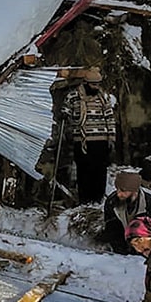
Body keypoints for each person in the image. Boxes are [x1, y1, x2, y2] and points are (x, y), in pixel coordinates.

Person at [61, 71, 116, 204]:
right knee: (84, 171)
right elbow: (66, 111)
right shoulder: (73, 97)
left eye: (97, 84)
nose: (95, 87)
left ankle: (98, 199)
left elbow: (110, 118)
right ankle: (85, 200)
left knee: (100, 171)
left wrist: (111, 138)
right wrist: (64, 115)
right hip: (82, 141)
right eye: (93, 84)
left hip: (100, 140)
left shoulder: (103, 97)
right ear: (85, 84)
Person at [102, 170, 151, 254]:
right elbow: (111, 228)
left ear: (134, 191)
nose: (119, 194)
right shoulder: (112, 202)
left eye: (123, 191)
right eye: (117, 189)